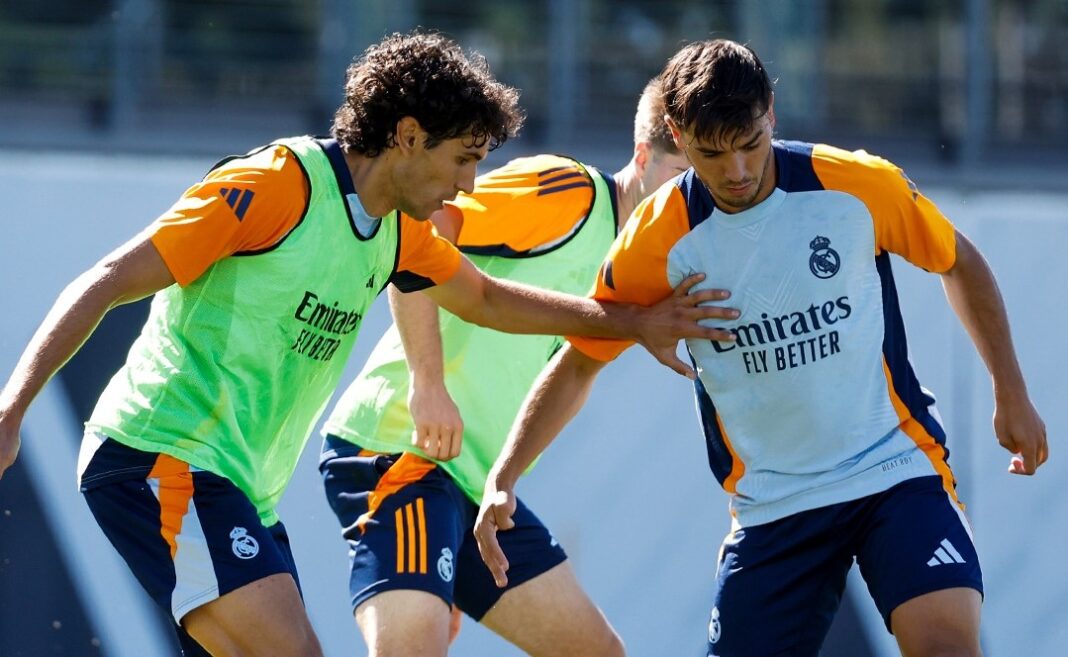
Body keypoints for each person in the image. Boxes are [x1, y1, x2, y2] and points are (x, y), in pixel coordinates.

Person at [0, 32, 727, 657]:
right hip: (161, 453)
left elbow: (485, 297)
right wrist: (11, 410)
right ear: (409, 136)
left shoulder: (398, 230)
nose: (469, 184)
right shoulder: (277, 186)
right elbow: (105, 278)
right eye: (462, 159)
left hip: (246, 488)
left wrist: (630, 322)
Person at [474, 39, 1049, 657]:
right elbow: (579, 363)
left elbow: (958, 260)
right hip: (773, 507)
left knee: (946, 647)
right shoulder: (657, 239)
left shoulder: (852, 185)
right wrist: (502, 479)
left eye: (750, 144)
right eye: (712, 154)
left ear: (770, 113)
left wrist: (1010, 391)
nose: (738, 172)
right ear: (677, 134)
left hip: (893, 472)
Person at [318, 77, 693, 657]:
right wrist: (428, 382)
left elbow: (577, 375)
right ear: (642, 157)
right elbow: (419, 233)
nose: (686, 201)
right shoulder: (568, 192)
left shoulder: (635, 268)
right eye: (678, 178)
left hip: (473, 489)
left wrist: (504, 480)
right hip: (403, 449)